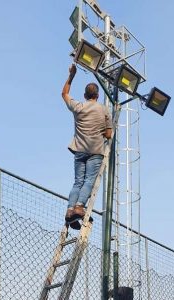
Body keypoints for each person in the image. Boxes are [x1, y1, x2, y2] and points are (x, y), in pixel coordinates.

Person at [61, 64, 113, 222]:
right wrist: (101, 131)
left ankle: (70, 209)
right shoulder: (104, 109)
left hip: (79, 150)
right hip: (95, 150)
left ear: (85, 95)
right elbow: (109, 134)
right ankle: (79, 207)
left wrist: (71, 76)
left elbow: (64, 93)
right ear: (97, 95)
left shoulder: (79, 107)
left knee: (78, 181)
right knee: (89, 180)